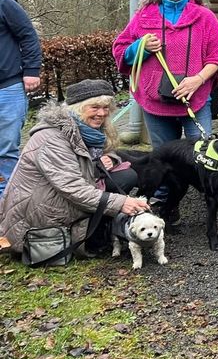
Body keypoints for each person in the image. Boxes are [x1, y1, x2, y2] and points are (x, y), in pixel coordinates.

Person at [0, 80, 149, 256]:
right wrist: (120, 202)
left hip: (58, 197)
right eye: (94, 107)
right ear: (78, 108)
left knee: (126, 175)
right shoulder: (51, 139)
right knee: (114, 193)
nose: (101, 113)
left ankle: (98, 231)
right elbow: (72, 187)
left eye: (106, 107)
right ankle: (86, 238)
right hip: (38, 213)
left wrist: (110, 159)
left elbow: (108, 154)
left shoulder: (88, 130)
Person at [113, 0, 218, 148]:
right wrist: (141, 47)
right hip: (155, 100)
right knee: (165, 161)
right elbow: (121, 50)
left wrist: (198, 79)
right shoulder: (145, 15)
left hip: (196, 98)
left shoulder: (204, 17)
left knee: (203, 156)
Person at [0, 0, 41, 200]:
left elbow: (28, 35)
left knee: (6, 148)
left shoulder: (4, 4)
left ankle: (7, 200)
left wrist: (32, 70)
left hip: (8, 87)